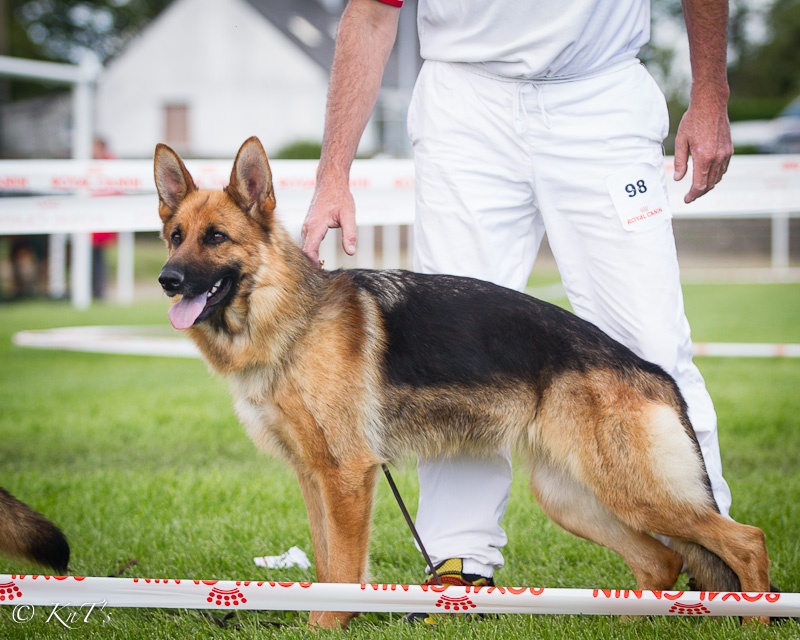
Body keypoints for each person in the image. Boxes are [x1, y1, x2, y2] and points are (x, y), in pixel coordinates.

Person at [301, 0, 734, 607]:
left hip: (601, 92)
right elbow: (371, 11)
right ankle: (459, 559)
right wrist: (333, 173)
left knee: (652, 343)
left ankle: (714, 557)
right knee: (448, 353)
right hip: (463, 101)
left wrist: (711, 93)